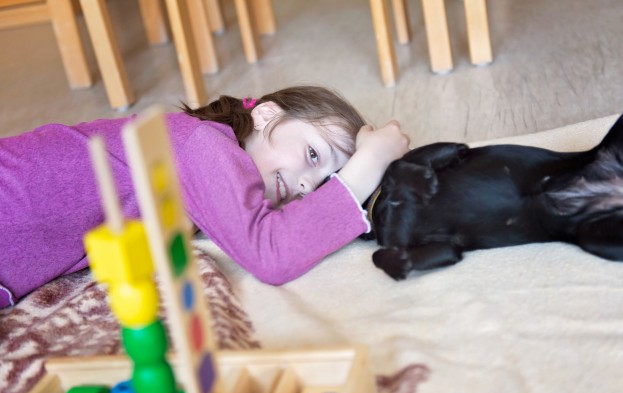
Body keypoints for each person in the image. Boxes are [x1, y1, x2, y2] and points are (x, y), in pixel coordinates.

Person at [0, 86, 410, 308]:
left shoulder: (206, 163)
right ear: (266, 114)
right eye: (313, 155)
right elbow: (270, 253)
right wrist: (366, 166)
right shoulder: (203, 145)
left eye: (322, 183)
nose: (307, 186)